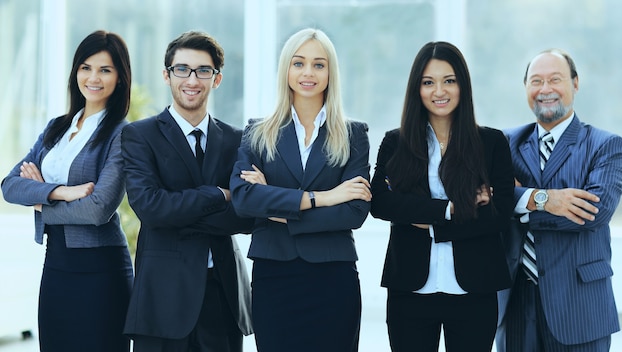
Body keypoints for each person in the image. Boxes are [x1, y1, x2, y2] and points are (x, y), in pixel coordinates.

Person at [229, 28, 371, 352]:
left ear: (330, 72)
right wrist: (325, 197)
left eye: (319, 64)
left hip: (334, 278)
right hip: (274, 276)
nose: (308, 72)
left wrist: (277, 211)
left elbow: (354, 211)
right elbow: (244, 199)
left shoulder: (353, 134)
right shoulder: (257, 131)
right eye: (299, 63)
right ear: (287, 70)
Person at [370, 41, 514, 352]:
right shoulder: (395, 143)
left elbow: (500, 216)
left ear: (463, 85)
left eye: (449, 80)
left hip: (475, 290)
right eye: (428, 82)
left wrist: (431, 225)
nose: (440, 91)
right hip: (410, 289)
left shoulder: (491, 143)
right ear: (416, 89)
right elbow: (381, 202)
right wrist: (449, 209)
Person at [121, 30, 254, 352]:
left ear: (216, 79)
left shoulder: (238, 139)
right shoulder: (140, 135)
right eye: (182, 69)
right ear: (167, 75)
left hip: (222, 295)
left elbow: (247, 216)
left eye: (203, 70)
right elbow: (151, 209)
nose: (192, 79)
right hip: (162, 297)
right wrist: (218, 195)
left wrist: (176, 211)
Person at [1, 30, 133, 351]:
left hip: (101, 270)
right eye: (86, 67)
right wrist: (61, 191)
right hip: (56, 267)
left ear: (120, 78)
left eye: (105, 70)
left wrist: (41, 202)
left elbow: (98, 209)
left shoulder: (122, 134)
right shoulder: (57, 128)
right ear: (75, 72)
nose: (93, 78)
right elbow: (9, 186)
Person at [496, 49, 622, 351]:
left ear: (575, 83)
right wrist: (544, 199)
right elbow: (486, 199)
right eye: (536, 81)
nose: (545, 90)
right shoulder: (504, 142)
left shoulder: (605, 145)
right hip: (515, 302)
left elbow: (595, 211)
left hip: (579, 306)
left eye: (555, 79)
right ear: (526, 88)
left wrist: (519, 202)